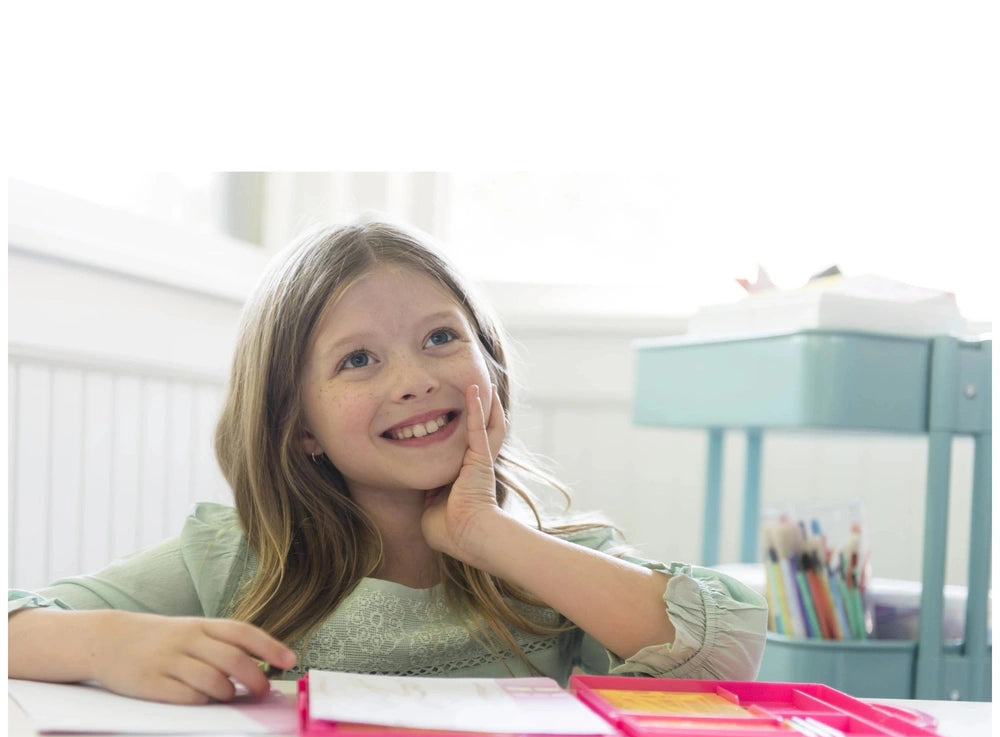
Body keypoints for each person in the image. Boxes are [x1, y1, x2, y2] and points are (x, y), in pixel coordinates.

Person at [8, 218, 768, 704]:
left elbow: (728, 649)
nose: (415, 379)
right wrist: (111, 644)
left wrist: (486, 534)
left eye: (441, 338)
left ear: (492, 367)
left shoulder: (550, 570)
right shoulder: (235, 561)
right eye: (359, 360)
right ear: (299, 427)